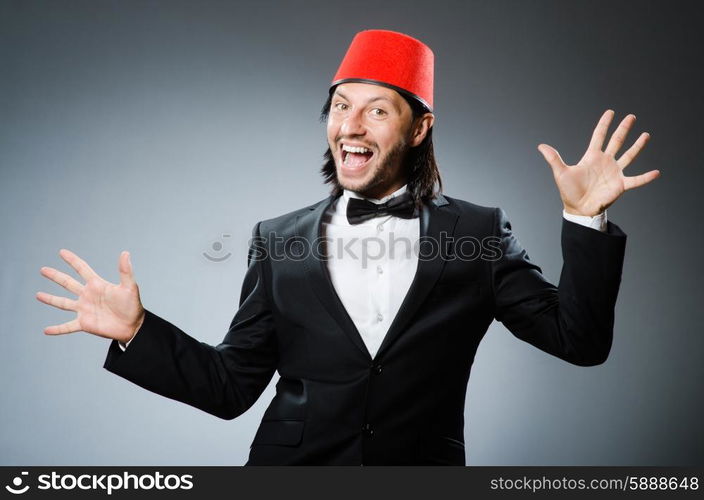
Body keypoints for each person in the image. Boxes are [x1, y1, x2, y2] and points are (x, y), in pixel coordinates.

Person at [36, 29, 659, 465]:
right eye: (341, 107)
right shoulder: (277, 240)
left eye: (377, 111)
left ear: (419, 129)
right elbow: (230, 387)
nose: (351, 127)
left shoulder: (478, 234)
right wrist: (138, 331)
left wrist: (584, 219)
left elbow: (579, 342)